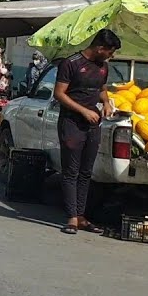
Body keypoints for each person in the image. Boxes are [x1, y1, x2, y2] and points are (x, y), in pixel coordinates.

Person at [54, 28, 121, 236]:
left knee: (86, 172)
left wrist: (107, 103)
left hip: (93, 125)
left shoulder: (102, 67)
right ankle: (71, 217)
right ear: (100, 47)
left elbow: (102, 89)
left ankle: (82, 216)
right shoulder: (71, 63)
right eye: (110, 52)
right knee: (71, 171)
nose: (112, 56)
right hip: (71, 123)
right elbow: (59, 94)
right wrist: (83, 110)